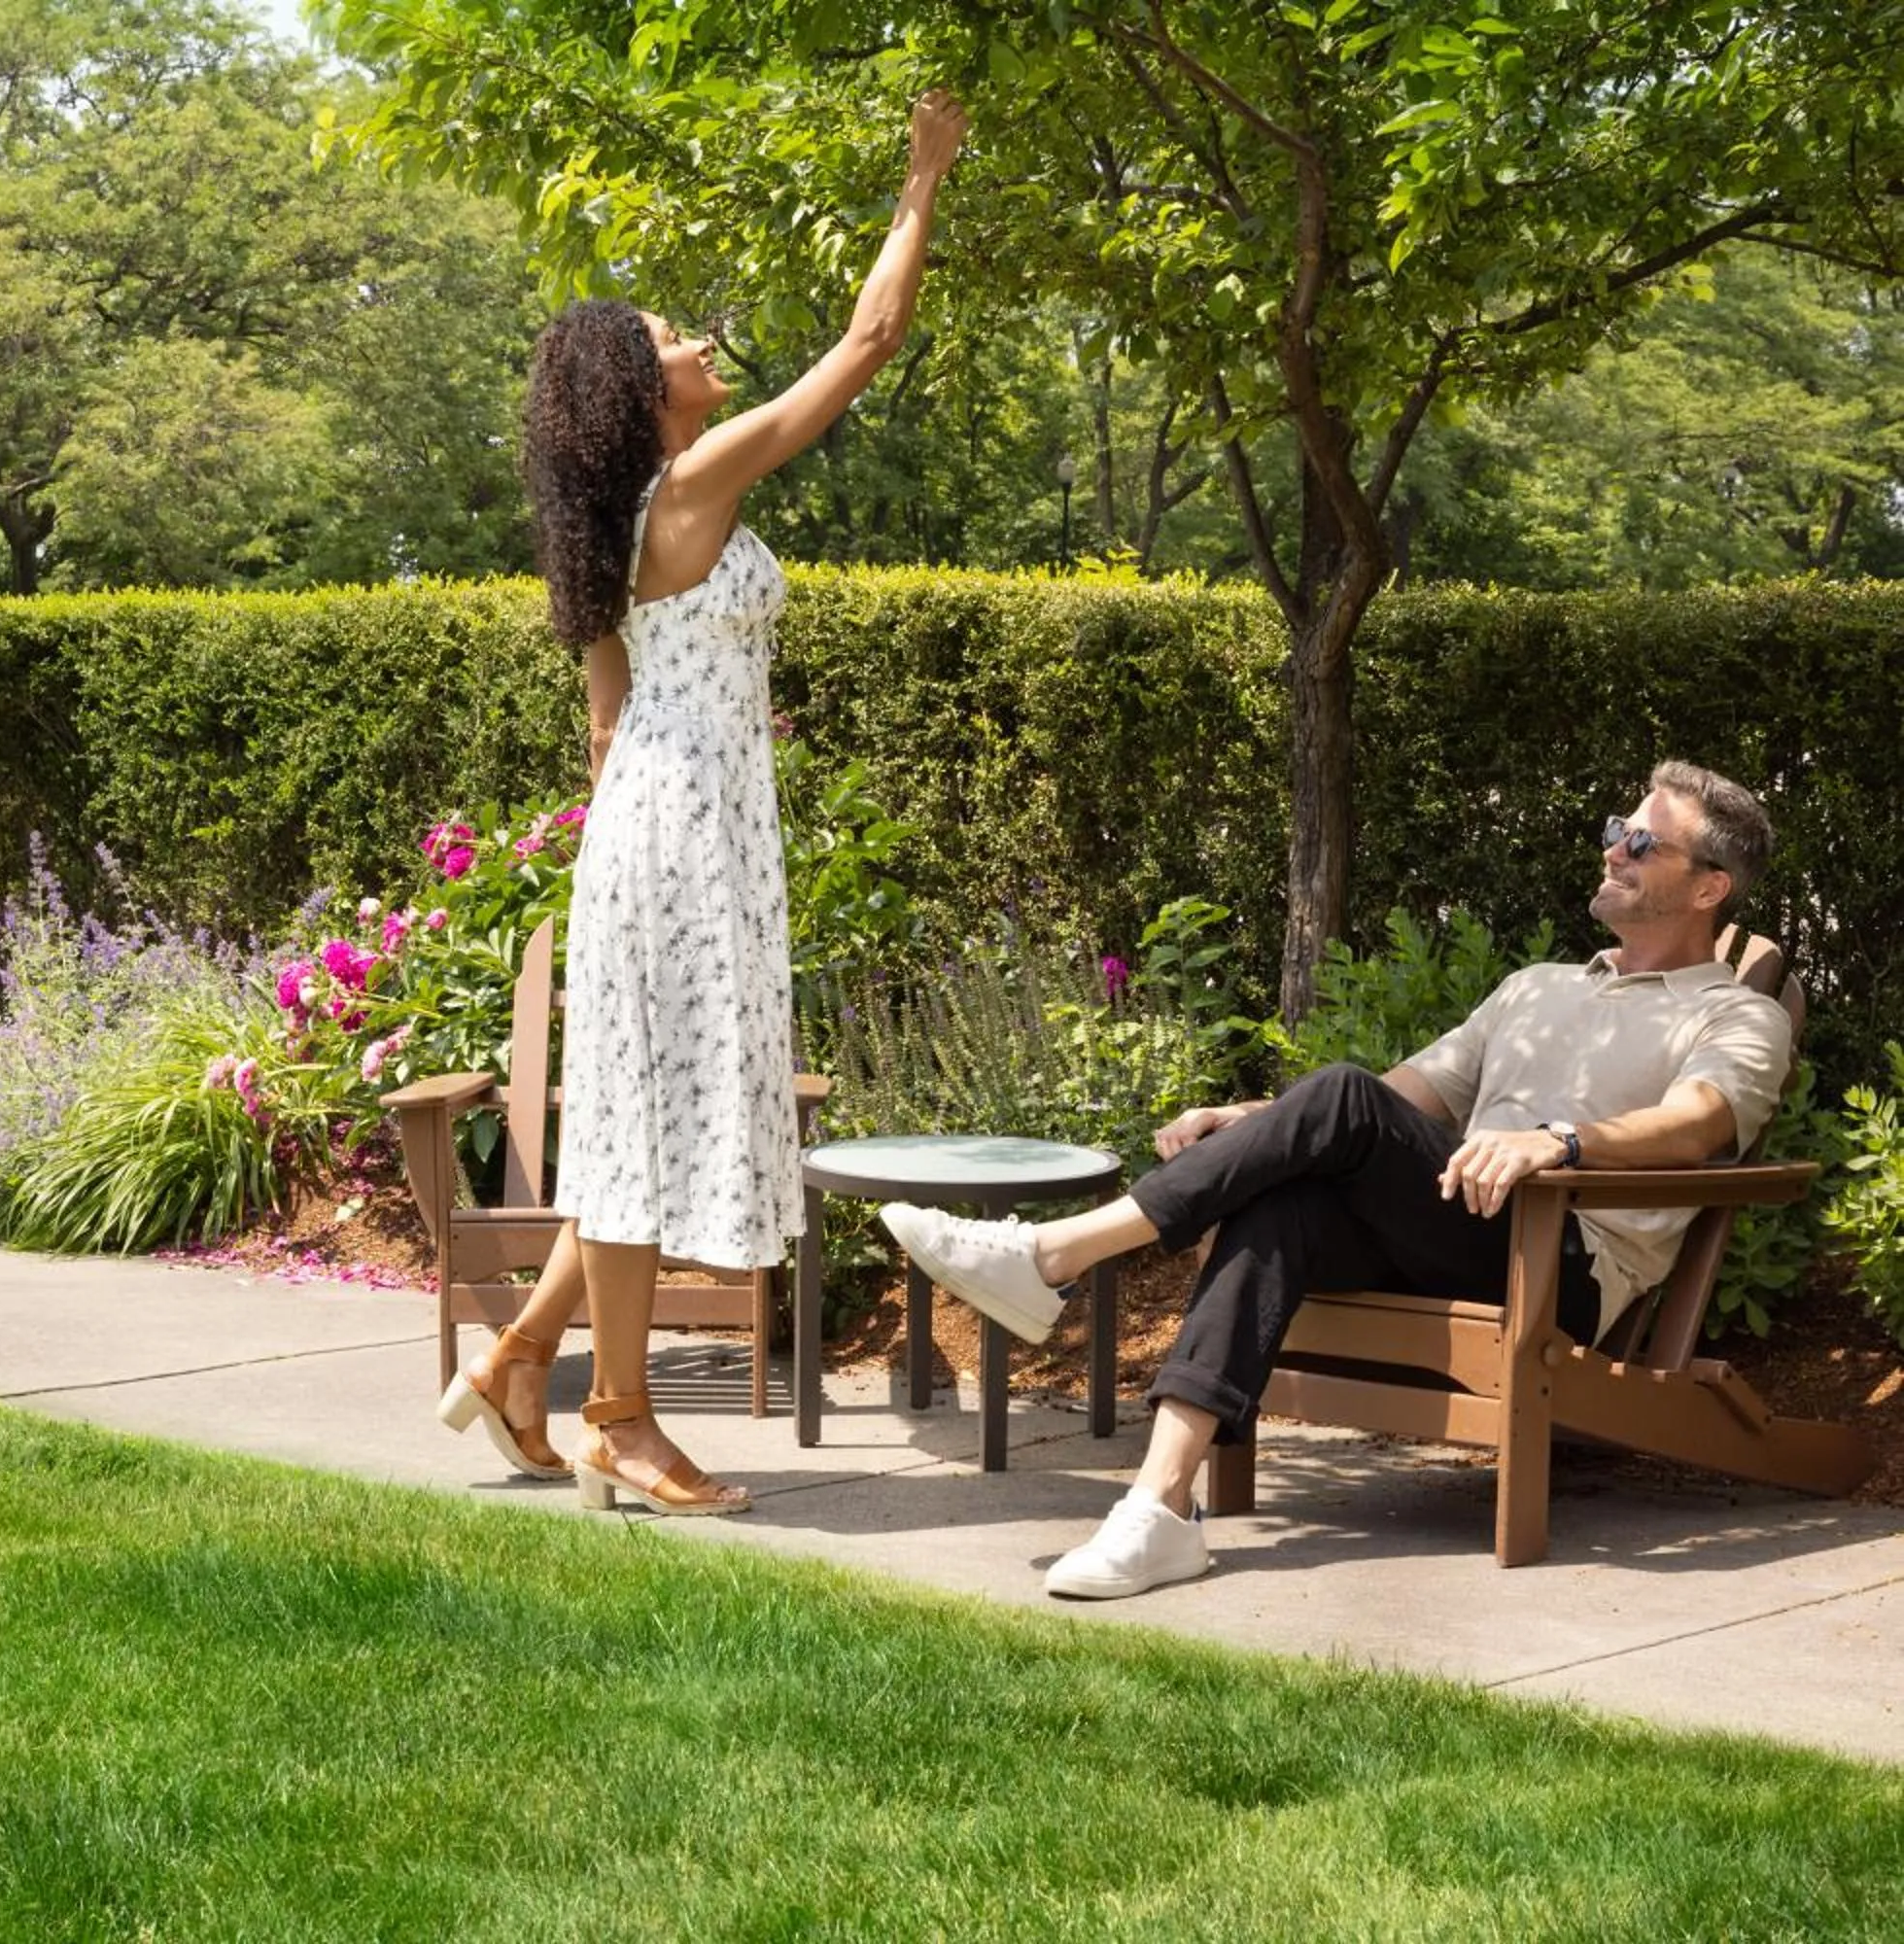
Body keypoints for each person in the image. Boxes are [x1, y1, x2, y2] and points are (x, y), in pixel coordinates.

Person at [435, 88, 972, 1515]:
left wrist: (664, 819)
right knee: (648, 1129)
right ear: (640, 393)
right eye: (671, 341)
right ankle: (617, 1416)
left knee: (636, 1123)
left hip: (655, 834)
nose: (698, 344)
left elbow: (607, 724)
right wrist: (921, 182)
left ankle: (526, 1360)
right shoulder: (692, 488)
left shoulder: (607, 534)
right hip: (684, 841)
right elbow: (864, 349)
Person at [882, 760, 1793, 1593]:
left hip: (1561, 1265)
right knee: (1290, 1204)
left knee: (1341, 1100)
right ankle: (1158, 1510)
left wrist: (1558, 1142)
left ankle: (1050, 1256)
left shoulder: (1737, 1014)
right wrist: (1256, 1123)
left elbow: (1700, 1119)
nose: (1615, 850)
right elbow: (1405, 1097)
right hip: (1455, 1221)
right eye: (1614, 829)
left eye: (1643, 841)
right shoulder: (1537, 988)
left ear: (1709, 886)